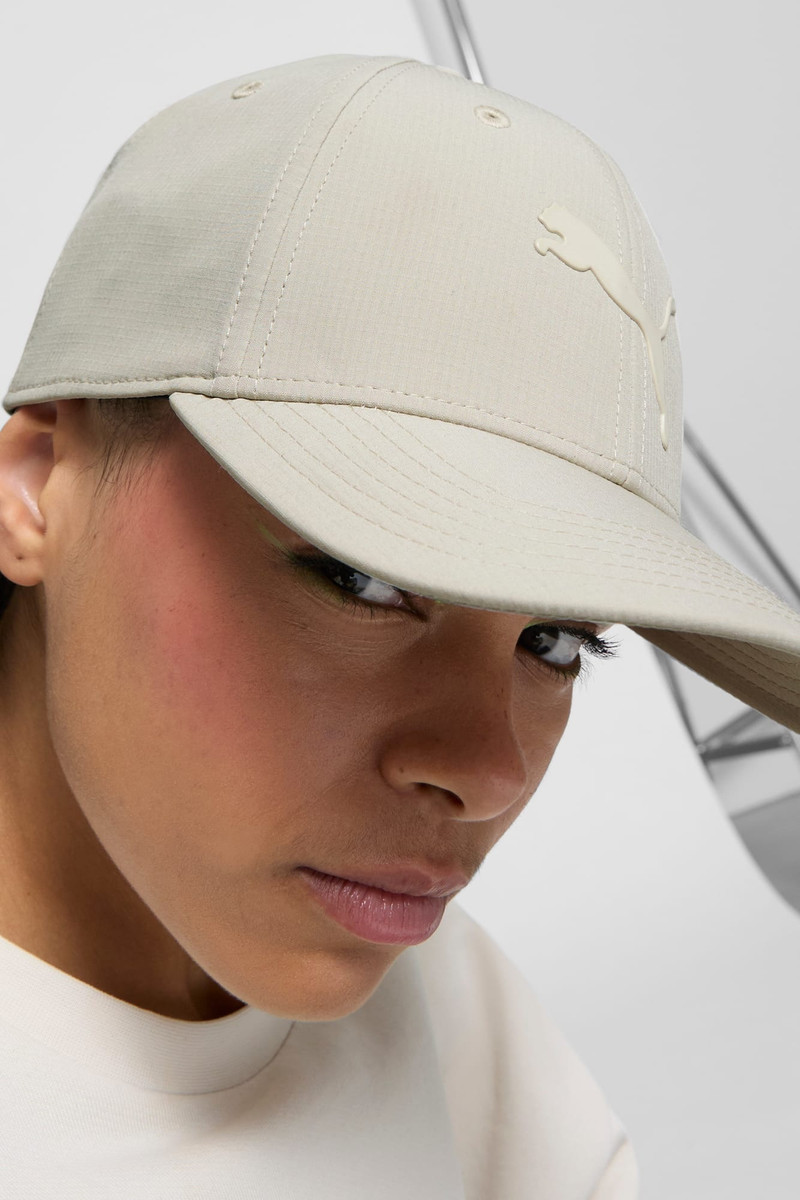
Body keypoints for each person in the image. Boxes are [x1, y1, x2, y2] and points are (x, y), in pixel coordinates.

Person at [0, 53, 797, 1200]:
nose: (487, 772)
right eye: (361, 580)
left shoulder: (460, 1032)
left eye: (555, 641)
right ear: (39, 483)